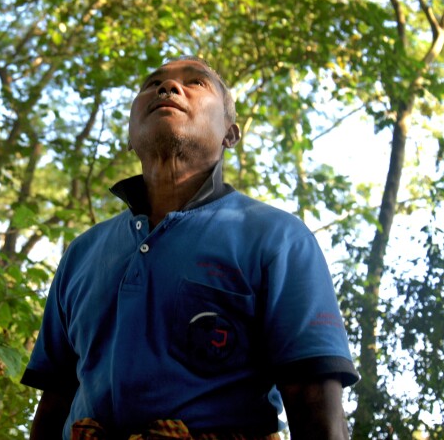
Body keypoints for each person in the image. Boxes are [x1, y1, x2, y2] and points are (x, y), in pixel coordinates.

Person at [21, 56, 359, 439]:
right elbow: (54, 404)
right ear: (131, 136)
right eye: (153, 84)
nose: (167, 88)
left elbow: (315, 406)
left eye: (196, 82)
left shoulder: (278, 238)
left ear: (229, 133)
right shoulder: (82, 254)